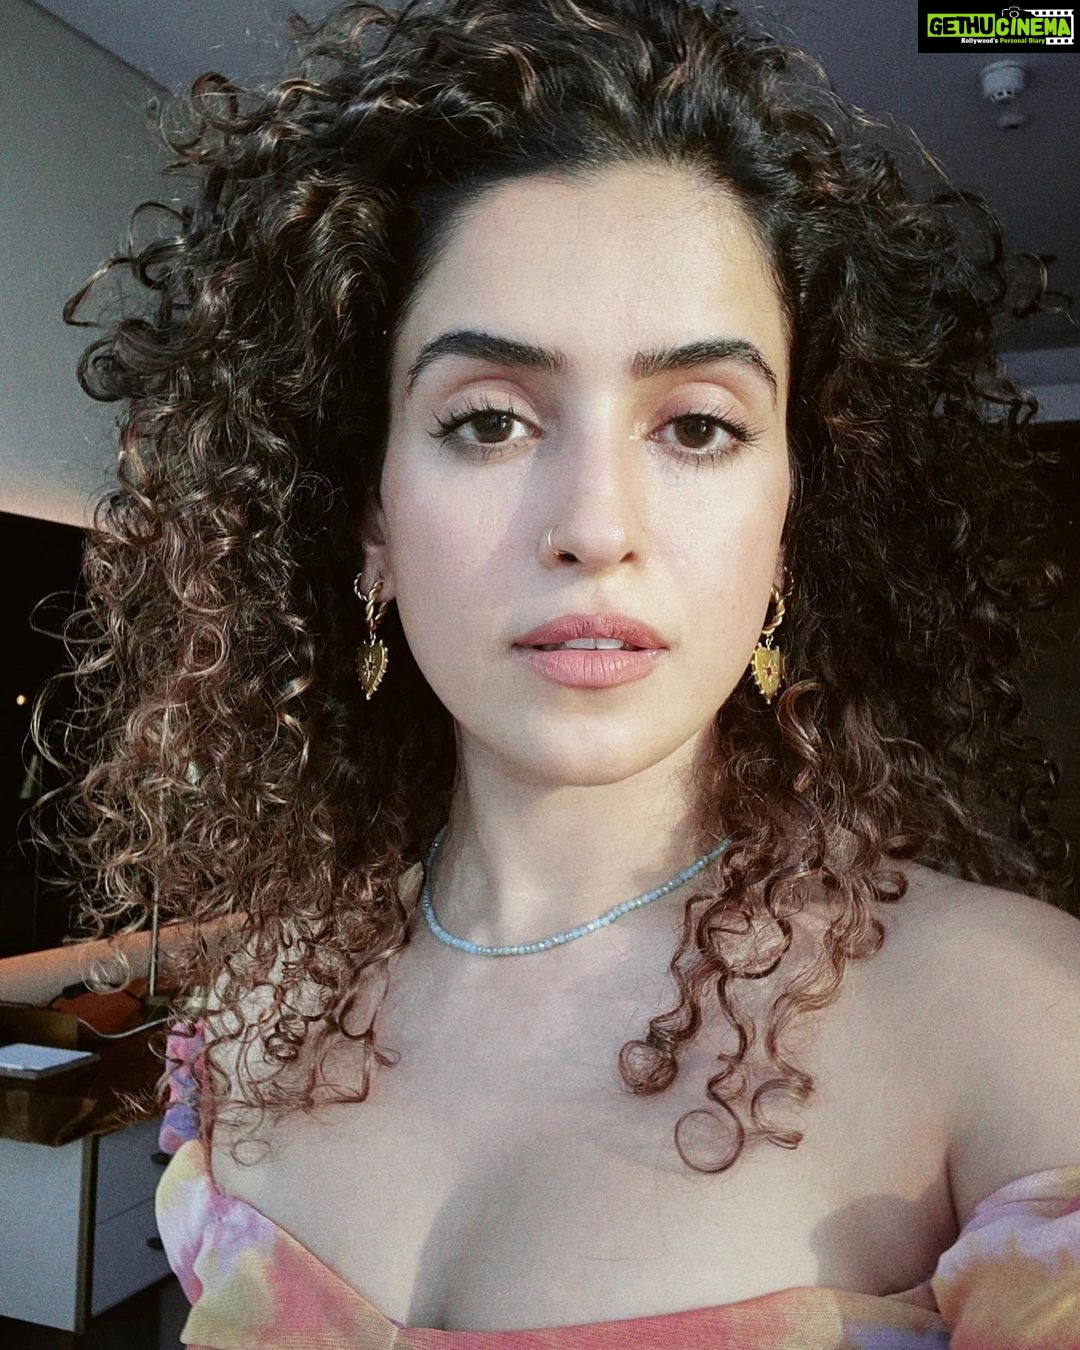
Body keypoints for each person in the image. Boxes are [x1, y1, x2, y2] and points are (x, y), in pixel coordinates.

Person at [24, 0, 1080, 1343]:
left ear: (789, 525)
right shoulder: (260, 1000)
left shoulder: (1017, 1023)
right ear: (373, 520)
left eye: (697, 427)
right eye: (487, 421)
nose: (594, 524)